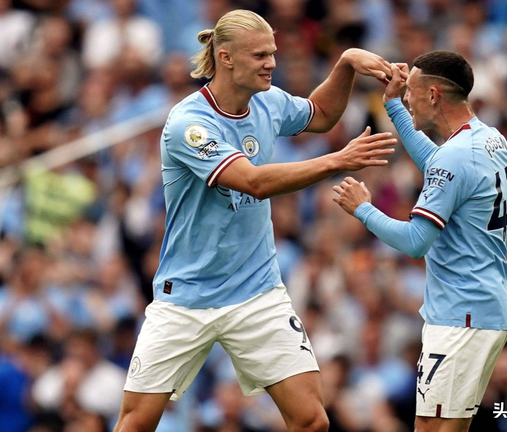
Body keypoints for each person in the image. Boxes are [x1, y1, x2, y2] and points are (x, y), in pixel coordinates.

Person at [114, 9, 398, 432]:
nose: (272, 64)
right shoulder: (189, 124)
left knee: (311, 421)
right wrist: (337, 160)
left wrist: (345, 65)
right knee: (136, 423)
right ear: (226, 57)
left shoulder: (268, 101)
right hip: (187, 295)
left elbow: (321, 113)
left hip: (256, 289)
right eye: (260, 55)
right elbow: (253, 182)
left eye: (273, 53)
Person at [333, 51, 507, 432]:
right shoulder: (490, 139)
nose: (406, 96)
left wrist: (363, 209)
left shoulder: (455, 157)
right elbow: (440, 164)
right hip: (486, 307)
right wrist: (394, 106)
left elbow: (416, 241)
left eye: (410, 91)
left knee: (430, 427)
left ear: (433, 95)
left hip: (459, 315)